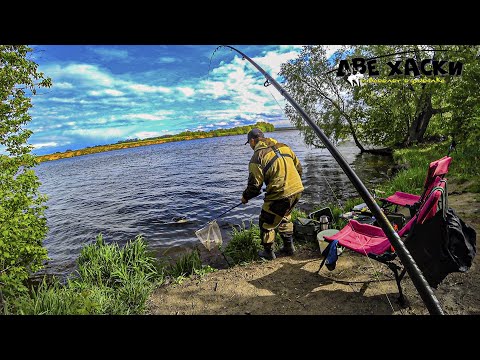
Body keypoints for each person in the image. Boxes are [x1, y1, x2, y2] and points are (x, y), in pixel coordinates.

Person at [241, 128, 304, 260]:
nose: (251, 146)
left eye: (250, 143)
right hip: (297, 190)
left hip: (280, 195)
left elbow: (254, 187)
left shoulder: (257, 157)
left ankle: (268, 253)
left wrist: (245, 197)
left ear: (252, 141)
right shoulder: (284, 147)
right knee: (285, 216)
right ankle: (289, 247)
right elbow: (299, 168)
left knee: (266, 222)